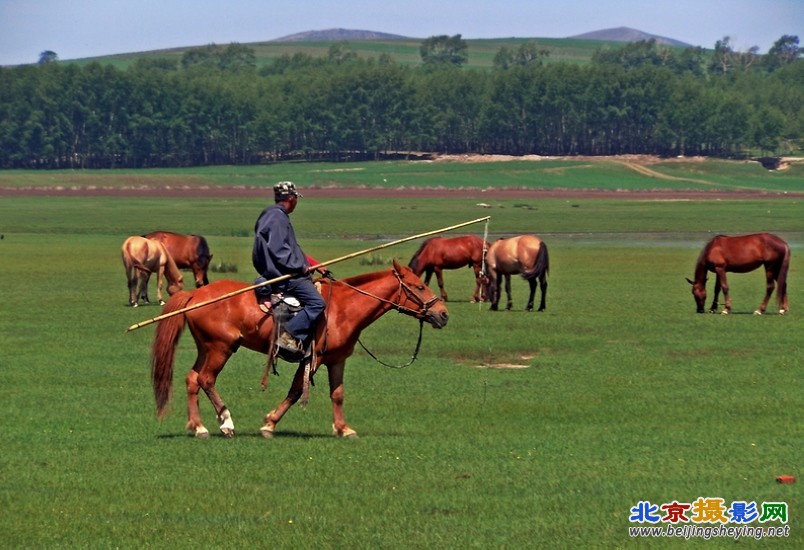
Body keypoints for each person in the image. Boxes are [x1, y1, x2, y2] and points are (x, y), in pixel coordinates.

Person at [252, 181, 326, 354]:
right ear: (292, 199)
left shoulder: (271, 214)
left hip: (279, 271)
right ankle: (288, 335)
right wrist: (300, 267)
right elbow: (280, 251)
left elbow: (290, 248)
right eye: (296, 199)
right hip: (287, 276)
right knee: (317, 303)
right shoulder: (278, 218)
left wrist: (313, 264)